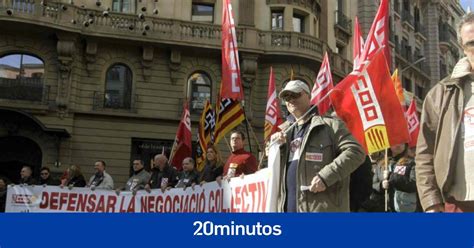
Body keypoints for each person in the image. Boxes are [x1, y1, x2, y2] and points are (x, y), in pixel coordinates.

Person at [272, 80, 365, 212]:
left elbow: (356, 152)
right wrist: (273, 148)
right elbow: (269, 169)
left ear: (308, 96)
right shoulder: (283, 134)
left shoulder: (330, 126)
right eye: (287, 97)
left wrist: (326, 177)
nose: (291, 99)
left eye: (295, 94)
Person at [416, 12, 474, 212]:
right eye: (471, 43)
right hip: (459, 204)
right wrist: (431, 202)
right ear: (462, 48)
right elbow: (425, 154)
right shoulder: (440, 94)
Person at [373, 144, 420, 212]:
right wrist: (381, 186)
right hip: (385, 209)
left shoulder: (411, 163)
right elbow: (374, 185)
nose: (398, 145)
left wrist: (391, 176)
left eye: (402, 142)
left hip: (406, 209)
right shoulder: (381, 164)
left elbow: (414, 184)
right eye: (395, 142)